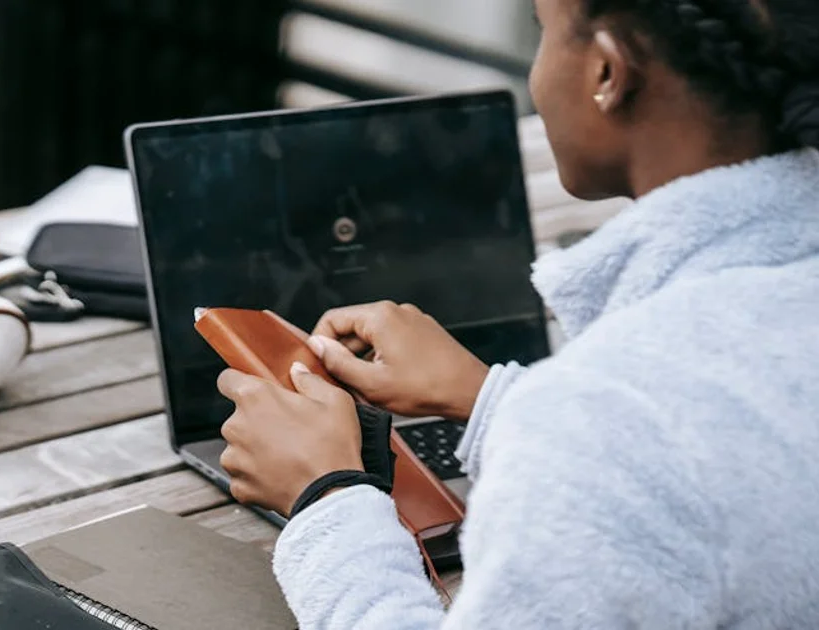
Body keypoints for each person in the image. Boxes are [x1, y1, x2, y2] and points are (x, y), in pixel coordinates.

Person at [216, 0, 819, 627]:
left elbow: (634, 438)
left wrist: (326, 496)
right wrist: (489, 398)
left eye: (544, 33)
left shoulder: (606, 413)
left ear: (607, 72)